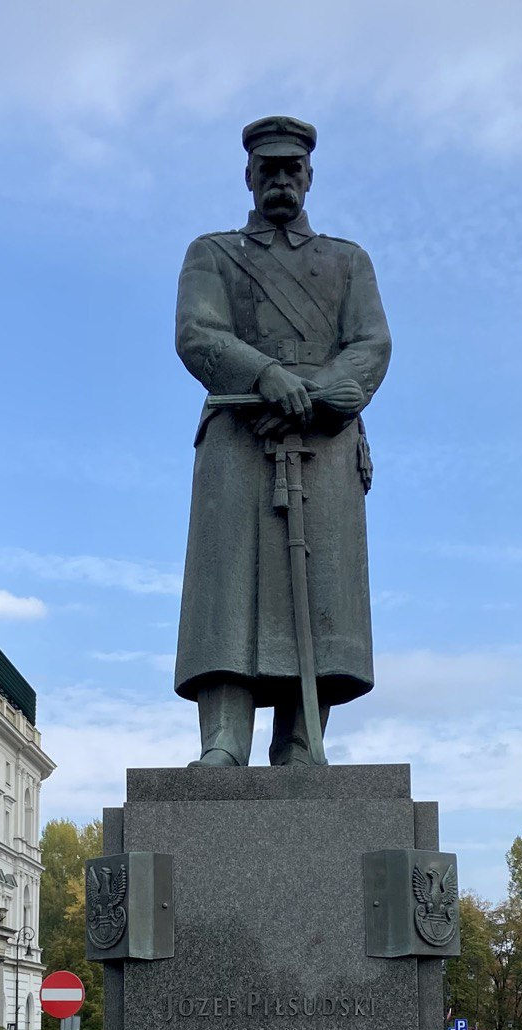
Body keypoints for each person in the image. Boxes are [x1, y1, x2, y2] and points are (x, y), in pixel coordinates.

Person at [174, 115, 392, 766]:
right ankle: (223, 742)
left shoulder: (348, 262)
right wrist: (267, 378)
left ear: (309, 178)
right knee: (227, 595)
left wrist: (315, 397)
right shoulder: (211, 254)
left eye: (290, 169)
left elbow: (372, 344)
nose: (278, 179)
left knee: (320, 592)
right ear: (247, 176)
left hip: (323, 441)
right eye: (266, 168)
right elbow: (198, 333)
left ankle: (302, 742)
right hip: (239, 438)